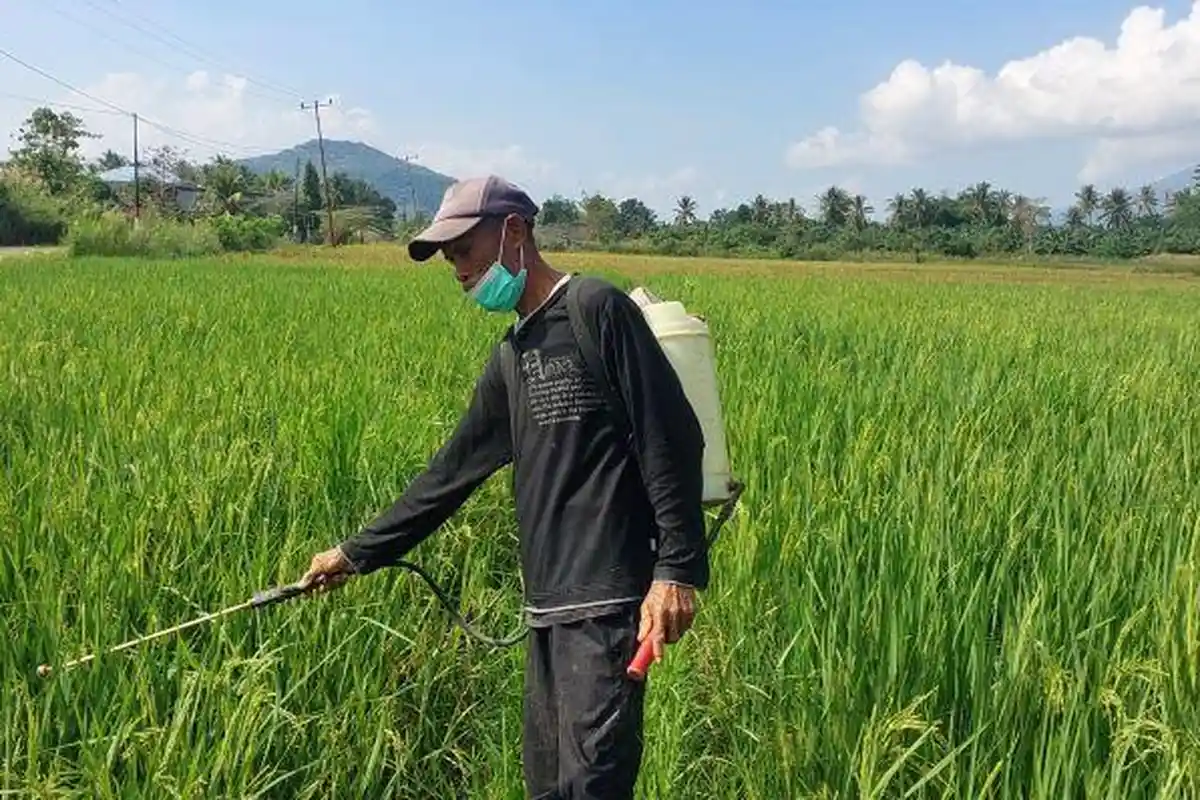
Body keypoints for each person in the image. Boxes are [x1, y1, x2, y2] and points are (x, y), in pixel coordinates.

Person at [297, 174, 709, 799]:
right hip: (546, 613)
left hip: (606, 605)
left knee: (592, 787)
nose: (456, 269)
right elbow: (449, 473)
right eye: (448, 258)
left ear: (513, 231)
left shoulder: (597, 310)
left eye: (463, 250)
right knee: (547, 789)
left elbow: (671, 437)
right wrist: (357, 553)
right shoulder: (511, 357)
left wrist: (675, 570)